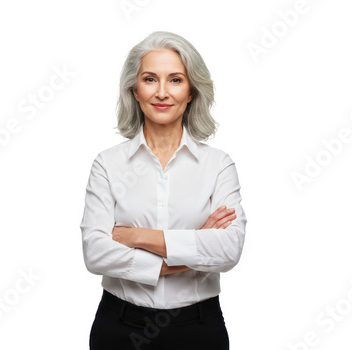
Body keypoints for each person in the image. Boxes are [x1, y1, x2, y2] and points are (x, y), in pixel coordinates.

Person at [80, 31, 248, 350]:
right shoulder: (107, 164)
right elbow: (95, 252)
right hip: (120, 327)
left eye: (174, 80)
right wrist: (191, 252)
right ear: (134, 90)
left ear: (191, 92)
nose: (161, 92)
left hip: (198, 329)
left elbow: (229, 249)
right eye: (149, 79)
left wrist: (137, 236)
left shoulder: (218, 166)